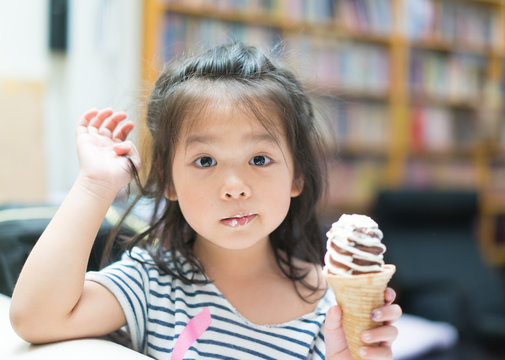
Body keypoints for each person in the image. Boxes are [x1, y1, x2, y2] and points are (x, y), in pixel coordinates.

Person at [10, 42, 401, 359]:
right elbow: (34, 317)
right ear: (169, 179)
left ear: (297, 174)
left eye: (259, 159)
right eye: (205, 161)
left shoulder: (329, 308)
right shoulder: (152, 283)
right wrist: (95, 185)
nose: (234, 186)